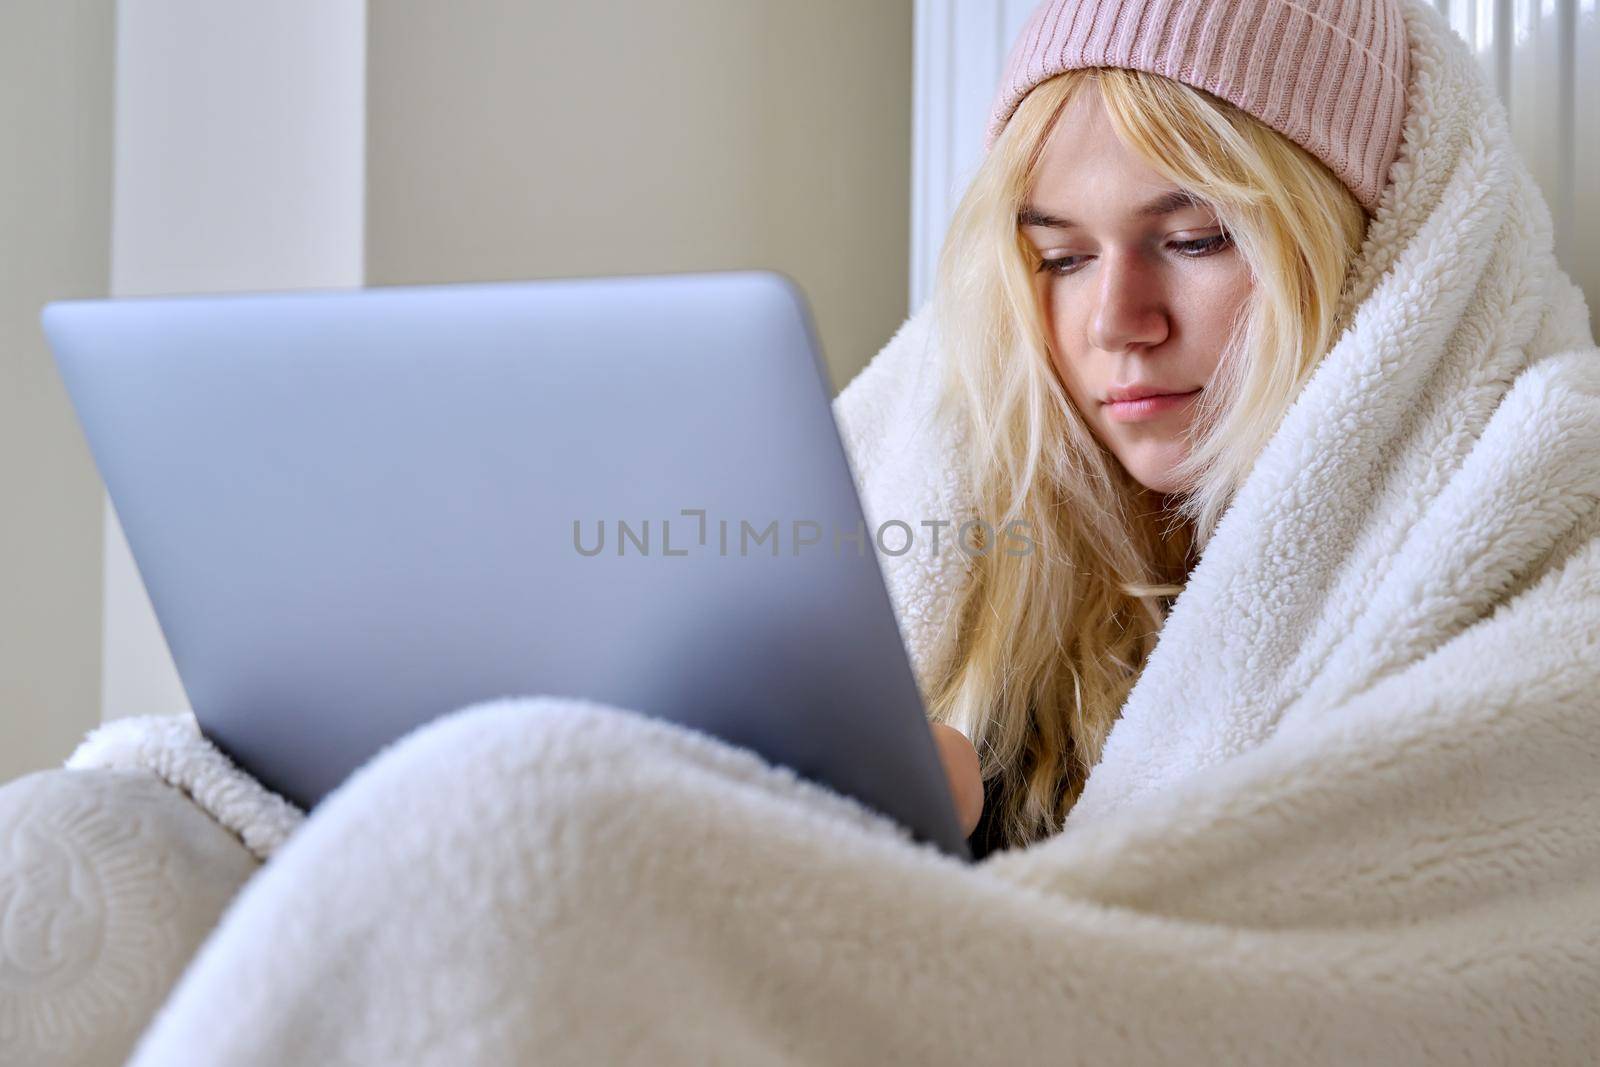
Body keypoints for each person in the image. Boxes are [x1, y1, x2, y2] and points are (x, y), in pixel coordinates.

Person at [922, 0, 1387, 858]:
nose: (1114, 322)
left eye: (1196, 239)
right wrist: (953, 800)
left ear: (1360, 252)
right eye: (1062, 258)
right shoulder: (1025, 591)